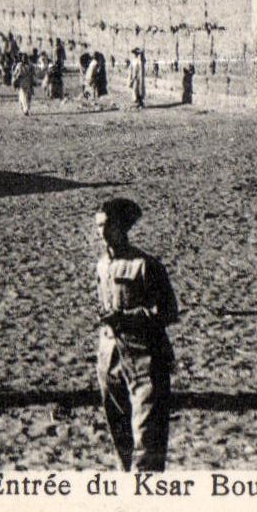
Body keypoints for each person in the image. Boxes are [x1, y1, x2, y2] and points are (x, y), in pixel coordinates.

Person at [94, 197, 179, 471]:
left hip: (145, 360)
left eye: (108, 226)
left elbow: (168, 312)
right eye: (98, 226)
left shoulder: (145, 265)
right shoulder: (102, 265)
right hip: (111, 359)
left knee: (148, 439)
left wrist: (127, 318)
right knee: (119, 433)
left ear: (123, 227)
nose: (102, 232)